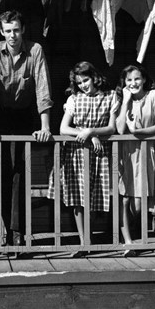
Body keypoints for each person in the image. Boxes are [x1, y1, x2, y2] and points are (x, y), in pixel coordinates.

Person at [0, 10, 53, 247]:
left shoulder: (35, 50)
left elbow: (43, 89)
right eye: (8, 31)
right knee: (2, 176)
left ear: (23, 30)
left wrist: (45, 127)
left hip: (25, 115)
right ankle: (7, 232)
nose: (13, 35)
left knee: (21, 175)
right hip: (1, 116)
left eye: (16, 30)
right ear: (2, 32)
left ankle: (19, 232)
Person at [48, 61, 120, 257]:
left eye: (86, 80)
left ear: (94, 77)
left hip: (98, 154)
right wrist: (87, 133)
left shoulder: (110, 96)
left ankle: (89, 238)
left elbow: (111, 128)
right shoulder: (74, 99)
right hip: (76, 152)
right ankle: (84, 242)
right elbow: (64, 128)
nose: (83, 85)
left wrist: (92, 131)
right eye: (79, 82)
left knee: (96, 197)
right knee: (78, 198)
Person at [115, 64, 155, 256]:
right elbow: (120, 129)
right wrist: (126, 102)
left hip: (146, 151)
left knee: (140, 201)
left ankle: (138, 234)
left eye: (137, 79)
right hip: (126, 153)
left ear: (144, 79)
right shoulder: (121, 99)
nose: (133, 83)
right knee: (125, 198)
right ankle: (129, 240)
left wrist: (138, 133)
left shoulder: (154, 96)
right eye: (129, 80)